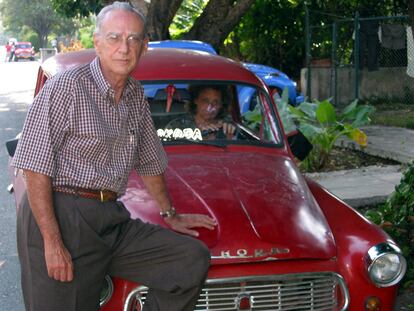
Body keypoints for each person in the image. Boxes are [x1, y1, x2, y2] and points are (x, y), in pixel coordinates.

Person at [12, 2, 216, 311]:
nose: (124, 47)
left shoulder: (135, 95)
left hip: (111, 217)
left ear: (144, 46)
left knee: (189, 260)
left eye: (133, 39)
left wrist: (169, 214)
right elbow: (34, 167)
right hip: (63, 214)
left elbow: (149, 162)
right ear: (97, 42)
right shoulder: (67, 87)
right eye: (114, 37)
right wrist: (52, 242)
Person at [167, 84, 236, 140]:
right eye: (205, 101)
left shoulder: (228, 126)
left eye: (215, 102)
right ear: (195, 100)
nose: (210, 106)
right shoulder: (177, 126)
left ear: (221, 105)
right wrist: (200, 139)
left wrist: (229, 139)